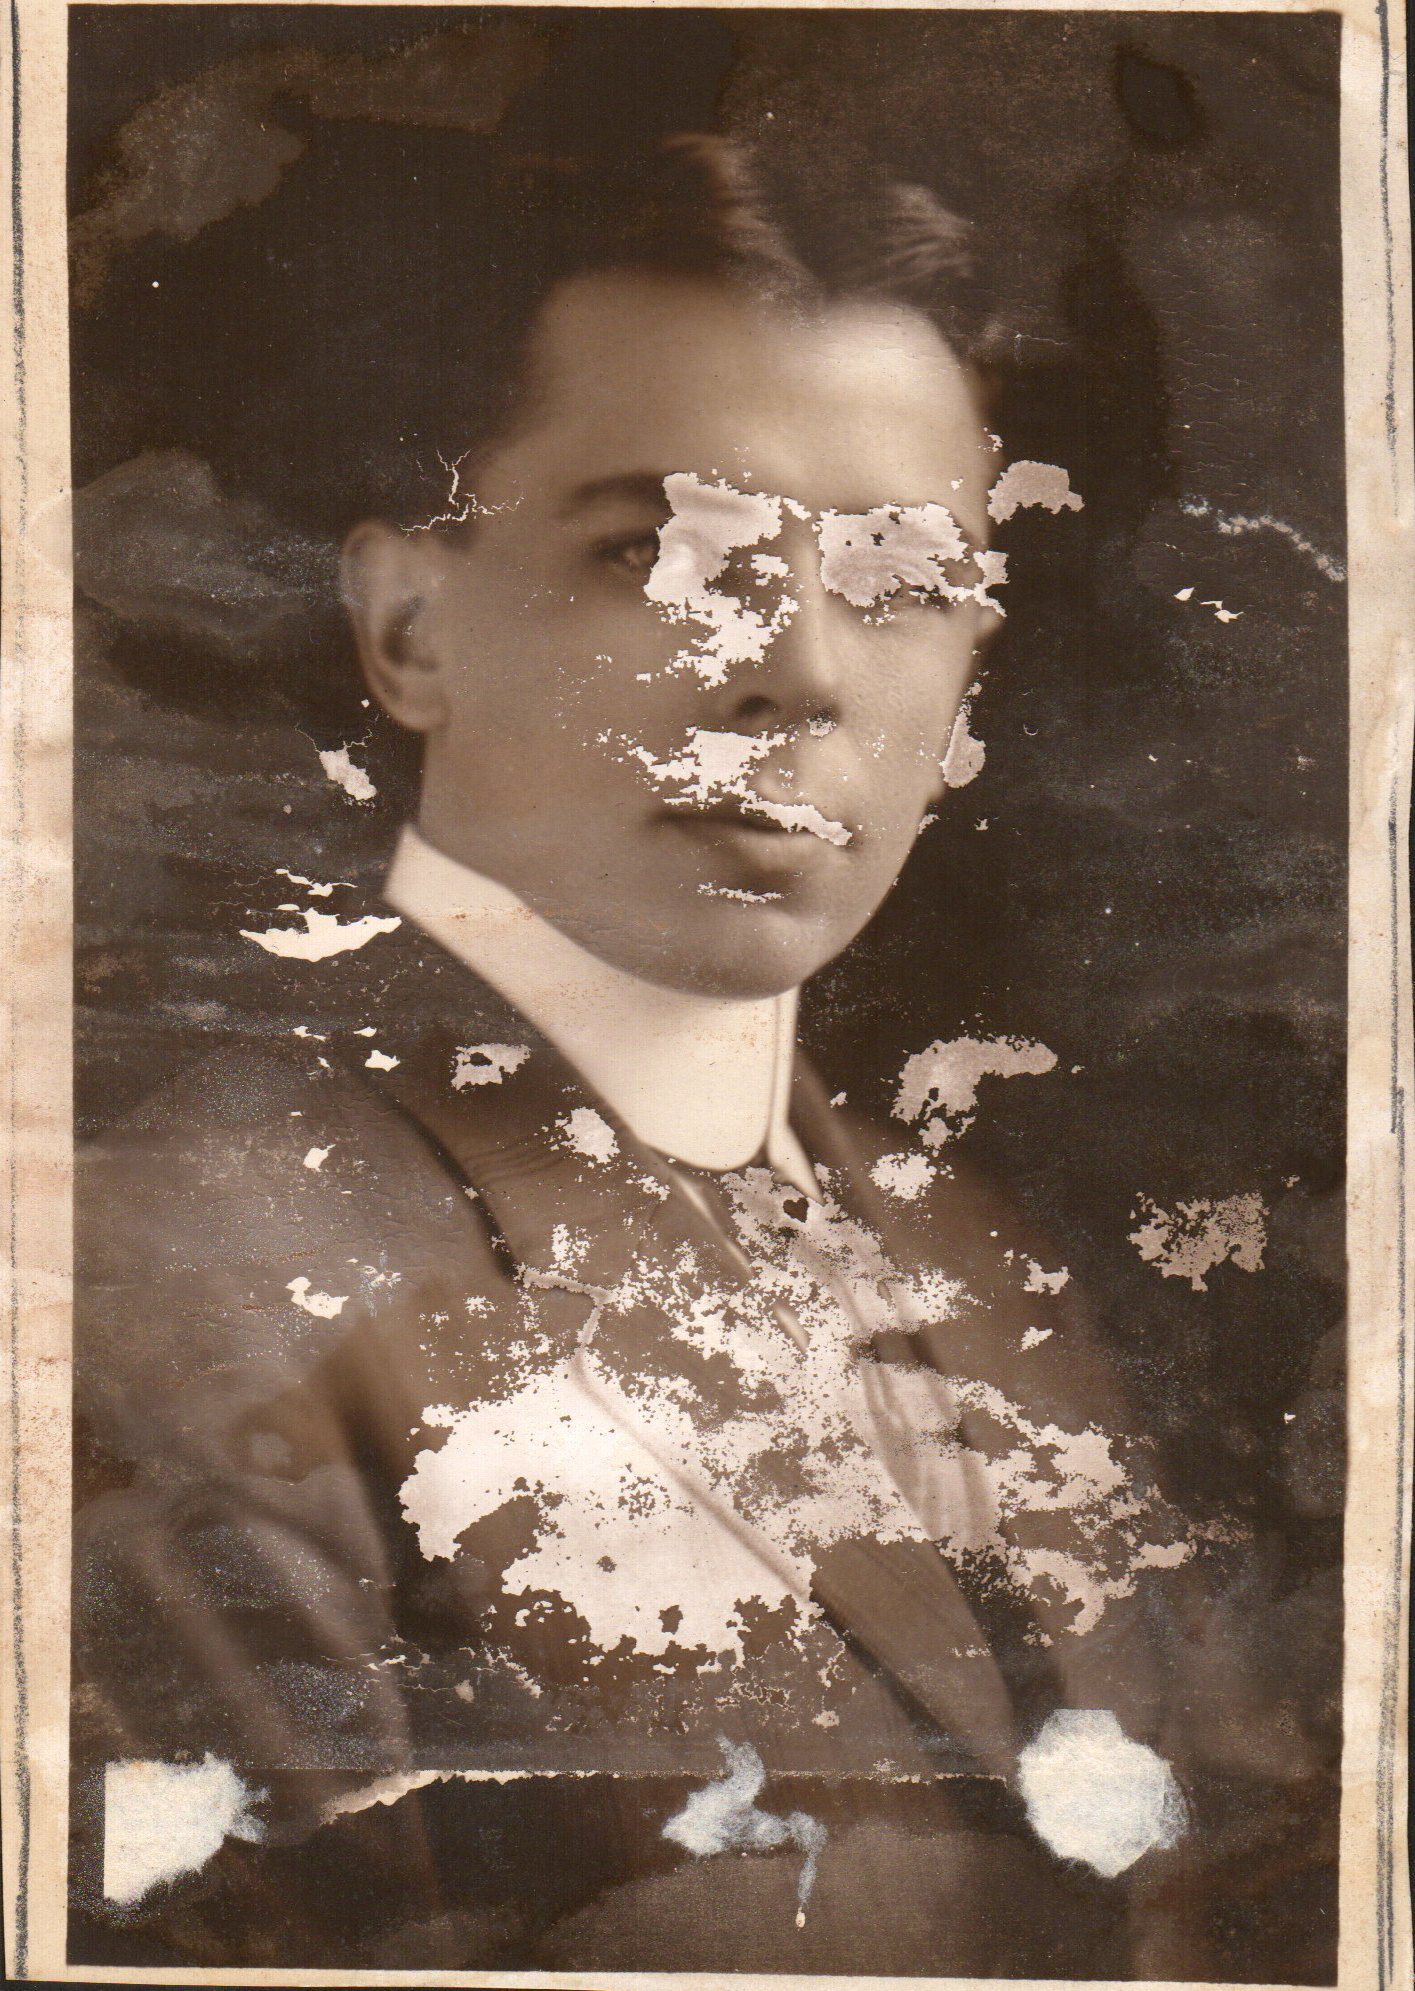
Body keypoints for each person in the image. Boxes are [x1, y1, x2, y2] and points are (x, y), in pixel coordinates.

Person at [70, 127, 1318, 1975]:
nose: (798, 671)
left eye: (900, 577)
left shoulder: (981, 1264)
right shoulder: (190, 1263)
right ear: (410, 624)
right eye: (660, 549)